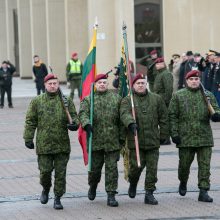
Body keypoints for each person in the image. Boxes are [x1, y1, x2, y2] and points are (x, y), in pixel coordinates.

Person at [23, 74, 79, 210]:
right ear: (45, 85)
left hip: (62, 145)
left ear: (58, 84)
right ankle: (45, 188)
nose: (53, 86)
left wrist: (75, 125)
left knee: (60, 174)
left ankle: (58, 198)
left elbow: (75, 117)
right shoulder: (37, 101)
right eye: (50, 84)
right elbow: (30, 121)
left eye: (55, 83)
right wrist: (28, 138)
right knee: (45, 172)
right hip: (44, 144)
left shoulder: (66, 101)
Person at [169, 70, 220, 203]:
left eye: (196, 79)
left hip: (204, 137)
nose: (194, 82)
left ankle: (203, 191)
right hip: (185, 137)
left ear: (199, 80)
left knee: (205, 166)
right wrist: (174, 133)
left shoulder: (207, 95)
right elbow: (172, 116)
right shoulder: (178, 96)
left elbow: (215, 109)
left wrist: (216, 115)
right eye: (191, 79)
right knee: (184, 166)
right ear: (187, 81)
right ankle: (183, 181)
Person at [120, 73, 169, 205]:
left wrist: (164, 135)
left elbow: (164, 117)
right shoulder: (127, 100)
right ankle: (133, 183)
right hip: (136, 141)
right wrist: (130, 123)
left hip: (153, 140)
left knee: (152, 169)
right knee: (136, 167)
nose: (141, 85)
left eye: (143, 83)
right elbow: (124, 113)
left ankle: (149, 193)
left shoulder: (156, 99)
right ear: (133, 85)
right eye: (138, 83)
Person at [79, 73, 124, 207]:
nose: (102, 84)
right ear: (95, 85)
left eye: (104, 82)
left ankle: (111, 195)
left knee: (112, 170)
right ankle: (92, 186)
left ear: (107, 84)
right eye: (100, 83)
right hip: (95, 141)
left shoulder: (116, 99)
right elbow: (83, 113)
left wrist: (121, 138)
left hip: (112, 141)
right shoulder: (88, 100)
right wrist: (87, 124)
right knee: (95, 171)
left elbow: (122, 119)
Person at [153, 57, 173, 145]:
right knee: (161, 120)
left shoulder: (166, 74)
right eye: (156, 64)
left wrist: (165, 101)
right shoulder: (159, 73)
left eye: (159, 64)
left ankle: (165, 139)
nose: (157, 65)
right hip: (159, 100)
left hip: (164, 101)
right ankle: (163, 137)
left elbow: (168, 89)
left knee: (164, 120)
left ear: (163, 64)